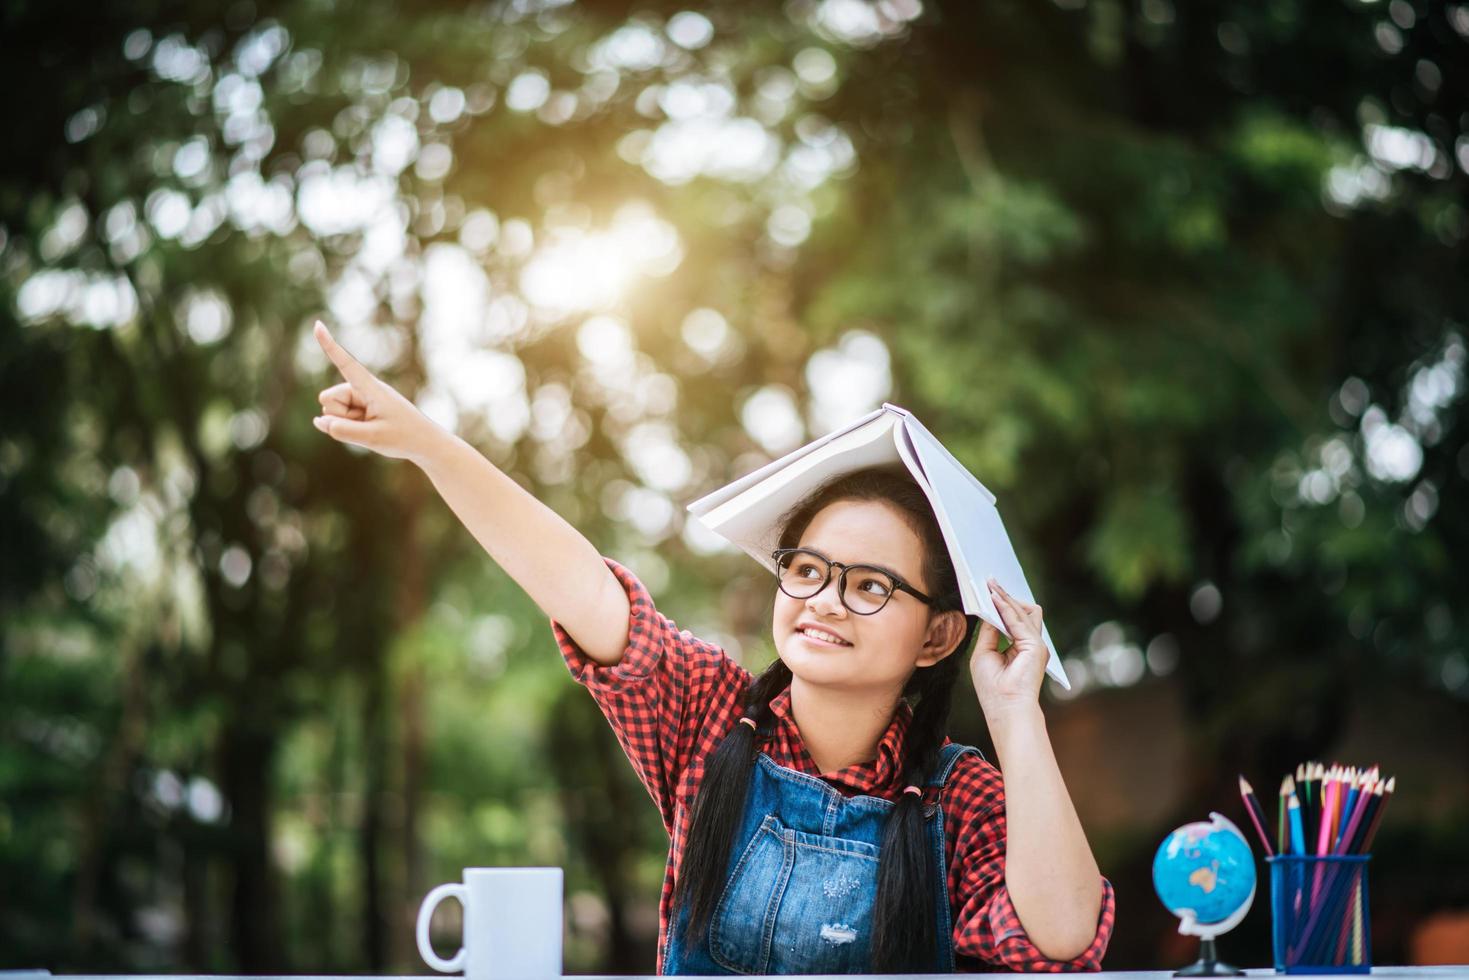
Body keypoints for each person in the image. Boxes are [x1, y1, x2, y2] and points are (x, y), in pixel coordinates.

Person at [310, 321, 1116, 973]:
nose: (825, 600)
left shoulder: (961, 797)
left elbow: (1060, 939)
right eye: (806, 570)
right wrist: (428, 444)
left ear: (938, 633)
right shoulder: (708, 716)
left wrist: (1014, 714)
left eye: (870, 586)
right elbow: (581, 586)